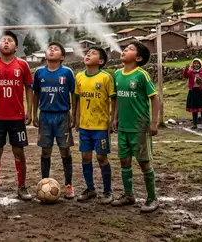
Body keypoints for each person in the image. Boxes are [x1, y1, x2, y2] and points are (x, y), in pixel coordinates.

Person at [0, 31, 33, 202]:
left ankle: (22, 186)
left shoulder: (23, 65)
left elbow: (28, 87)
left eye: (10, 41)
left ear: (16, 47)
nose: (6, 43)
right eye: (3, 40)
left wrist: (29, 111)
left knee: (19, 151)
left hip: (17, 117)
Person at [112, 41, 160, 214]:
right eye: (125, 48)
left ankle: (152, 198)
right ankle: (128, 195)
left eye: (130, 49)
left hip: (139, 127)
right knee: (124, 160)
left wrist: (154, 122)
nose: (125, 50)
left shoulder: (142, 75)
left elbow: (155, 98)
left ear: (138, 58)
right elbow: (116, 98)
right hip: (123, 127)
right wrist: (114, 118)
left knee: (144, 162)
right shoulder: (117, 74)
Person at [33, 42, 76, 199]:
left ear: (62, 57)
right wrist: (34, 114)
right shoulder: (39, 73)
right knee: (46, 150)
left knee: (65, 150)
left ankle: (69, 185)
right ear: (45, 55)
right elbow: (36, 94)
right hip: (45, 116)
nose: (52, 50)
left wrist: (74, 115)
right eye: (49, 48)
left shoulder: (67, 73)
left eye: (56, 49)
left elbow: (74, 94)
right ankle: (44, 181)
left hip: (62, 116)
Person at [73, 46, 115, 204]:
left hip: (101, 126)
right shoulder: (79, 77)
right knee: (85, 157)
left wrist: (112, 120)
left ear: (101, 61)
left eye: (93, 53)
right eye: (87, 53)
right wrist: (76, 119)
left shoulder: (105, 78)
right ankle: (90, 189)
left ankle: (107, 191)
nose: (88, 54)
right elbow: (76, 100)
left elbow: (113, 99)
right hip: (85, 126)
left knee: (101, 157)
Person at [182, 58, 202, 130]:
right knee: (194, 109)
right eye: (195, 63)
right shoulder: (191, 72)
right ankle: (195, 124)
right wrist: (186, 69)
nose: (196, 65)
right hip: (193, 92)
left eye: (197, 63)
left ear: (200, 64)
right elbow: (185, 75)